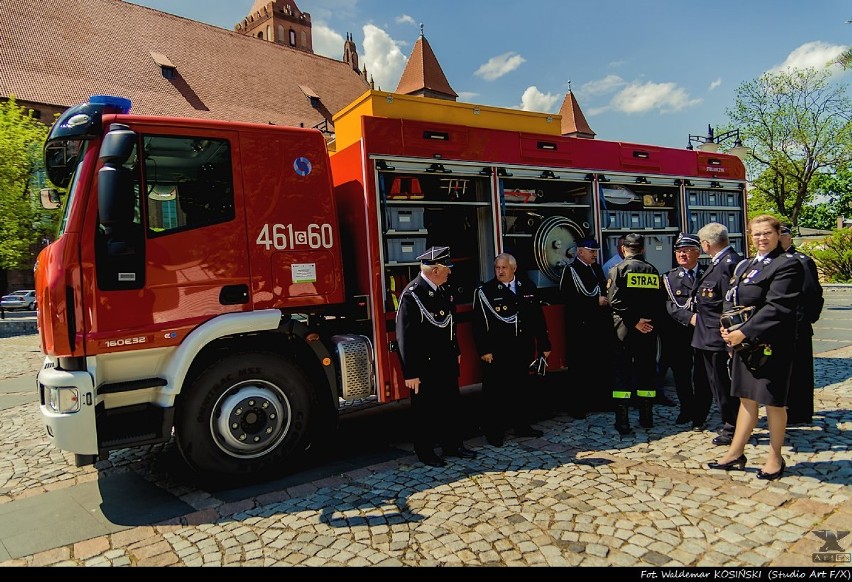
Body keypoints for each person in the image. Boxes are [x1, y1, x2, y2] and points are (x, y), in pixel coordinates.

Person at [710, 215, 804, 480]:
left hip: (771, 345)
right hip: (745, 345)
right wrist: (727, 327)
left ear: (777, 234)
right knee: (746, 399)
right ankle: (735, 452)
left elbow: (778, 307)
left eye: (767, 233)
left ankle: (775, 457)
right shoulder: (745, 265)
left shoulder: (787, 265)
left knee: (774, 403)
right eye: (756, 234)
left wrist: (743, 332)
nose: (761, 238)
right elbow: (732, 299)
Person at [395, 246, 477, 467]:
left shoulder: (443, 290)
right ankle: (426, 452)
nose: (450, 272)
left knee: (450, 405)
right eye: (446, 269)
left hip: (445, 361)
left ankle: (453, 445)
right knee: (425, 411)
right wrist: (410, 372)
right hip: (424, 365)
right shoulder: (412, 295)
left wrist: (456, 350)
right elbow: (405, 337)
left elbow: (449, 325)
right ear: (435, 270)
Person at [472, 253, 552, 446]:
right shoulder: (486, 291)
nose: (500, 271)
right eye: (497, 268)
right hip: (498, 351)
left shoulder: (527, 287)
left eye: (504, 268)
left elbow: (537, 319)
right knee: (495, 394)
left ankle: (522, 426)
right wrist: (484, 349)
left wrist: (544, 345)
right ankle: (494, 432)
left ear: (513, 268)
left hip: (522, 348)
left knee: (521, 389)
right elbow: (479, 324)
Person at [606, 233, 666, 435]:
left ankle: (622, 422)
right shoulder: (652, 271)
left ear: (624, 249)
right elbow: (659, 303)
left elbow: (614, 301)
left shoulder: (618, 270)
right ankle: (646, 418)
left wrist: (634, 321)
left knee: (621, 374)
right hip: (647, 331)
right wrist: (646, 322)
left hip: (624, 330)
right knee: (646, 371)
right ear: (642, 249)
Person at [691, 222, 743, 445]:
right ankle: (731, 423)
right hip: (708, 334)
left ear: (706, 244)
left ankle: (732, 427)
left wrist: (729, 338)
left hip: (717, 336)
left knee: (722, 384)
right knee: (713, 382)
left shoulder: (727, 265)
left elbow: (729, 305)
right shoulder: (722, 262)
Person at [558, 236, 615, 418]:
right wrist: (594, 302)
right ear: (580, 252)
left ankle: (600, 401)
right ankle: (578, 407)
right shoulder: (571, 271)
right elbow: (569, 300)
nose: (594, 255)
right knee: (579, 369)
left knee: (599, 366)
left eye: (595, 252)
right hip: (580, 328)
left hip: (598, 326)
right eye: (591, 252)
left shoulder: (596, 269)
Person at [660, 233, 708, 429]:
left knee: (703, 375)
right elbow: (669, 305)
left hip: (704, 332)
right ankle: (686, 409)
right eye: (679, 251)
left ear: (697, 252)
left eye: (686, 251)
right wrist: (690, 318)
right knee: (682, 374)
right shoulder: (669, 278)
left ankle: (700, 414)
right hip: (680, 333)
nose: (682, 255)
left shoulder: (708, 274)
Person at [780, 225, 824, 425]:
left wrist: (806, 319)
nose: (780, 239)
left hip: (798, 324)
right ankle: (784, 409)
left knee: (800, 371)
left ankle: (800, 412)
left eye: (784, 235)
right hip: (778, 326)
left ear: (790, 238)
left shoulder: (801, 261)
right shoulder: (771, 261)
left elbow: (813, 293)